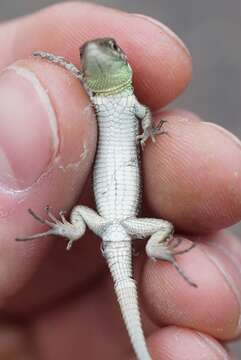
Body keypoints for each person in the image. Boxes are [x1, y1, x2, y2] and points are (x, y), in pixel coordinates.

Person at [0, 2, 240, 359]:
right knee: (152, 226)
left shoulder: (129, 100)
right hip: (123, 224)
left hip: (109, 223)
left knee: (105, 221)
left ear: (123, 62)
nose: (95, 53)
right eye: (85, 55)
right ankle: (132, 243)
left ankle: (154, 248)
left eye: (108, 48)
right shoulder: (92, 96)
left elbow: (145, 115)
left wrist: (147, 131)